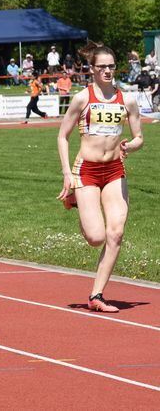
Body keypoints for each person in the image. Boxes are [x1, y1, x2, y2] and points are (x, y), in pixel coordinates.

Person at [56, 42, 144, 313]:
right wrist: (66, 175)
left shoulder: (126, 99)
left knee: (115, 233)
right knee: (96, 238)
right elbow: (62, 136)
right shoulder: (83, 98)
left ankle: (97, 294)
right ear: (92, 69)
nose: (107, 70)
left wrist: (131, 145)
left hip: (115, 170)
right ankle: (76, 202)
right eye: (102, 66)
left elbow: (140, 136)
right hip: (87, 170)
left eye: (111, 66)